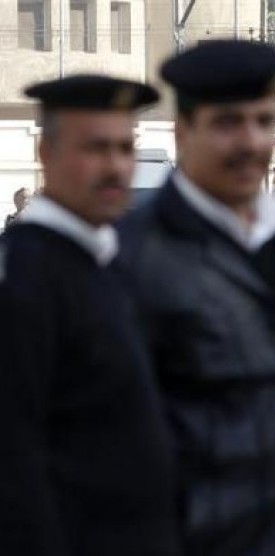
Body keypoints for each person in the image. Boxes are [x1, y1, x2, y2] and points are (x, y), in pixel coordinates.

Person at [117, 40, 275, 556]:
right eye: (228, 123)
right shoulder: (132, 257)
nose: (250, 142)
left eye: (262, 121)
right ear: (183, 132)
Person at [0, 75, 177, 555]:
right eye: (96, 148)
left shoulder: (112, 261)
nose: (116, 167)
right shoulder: (22, 276)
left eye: (125, 148)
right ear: (46, 154)